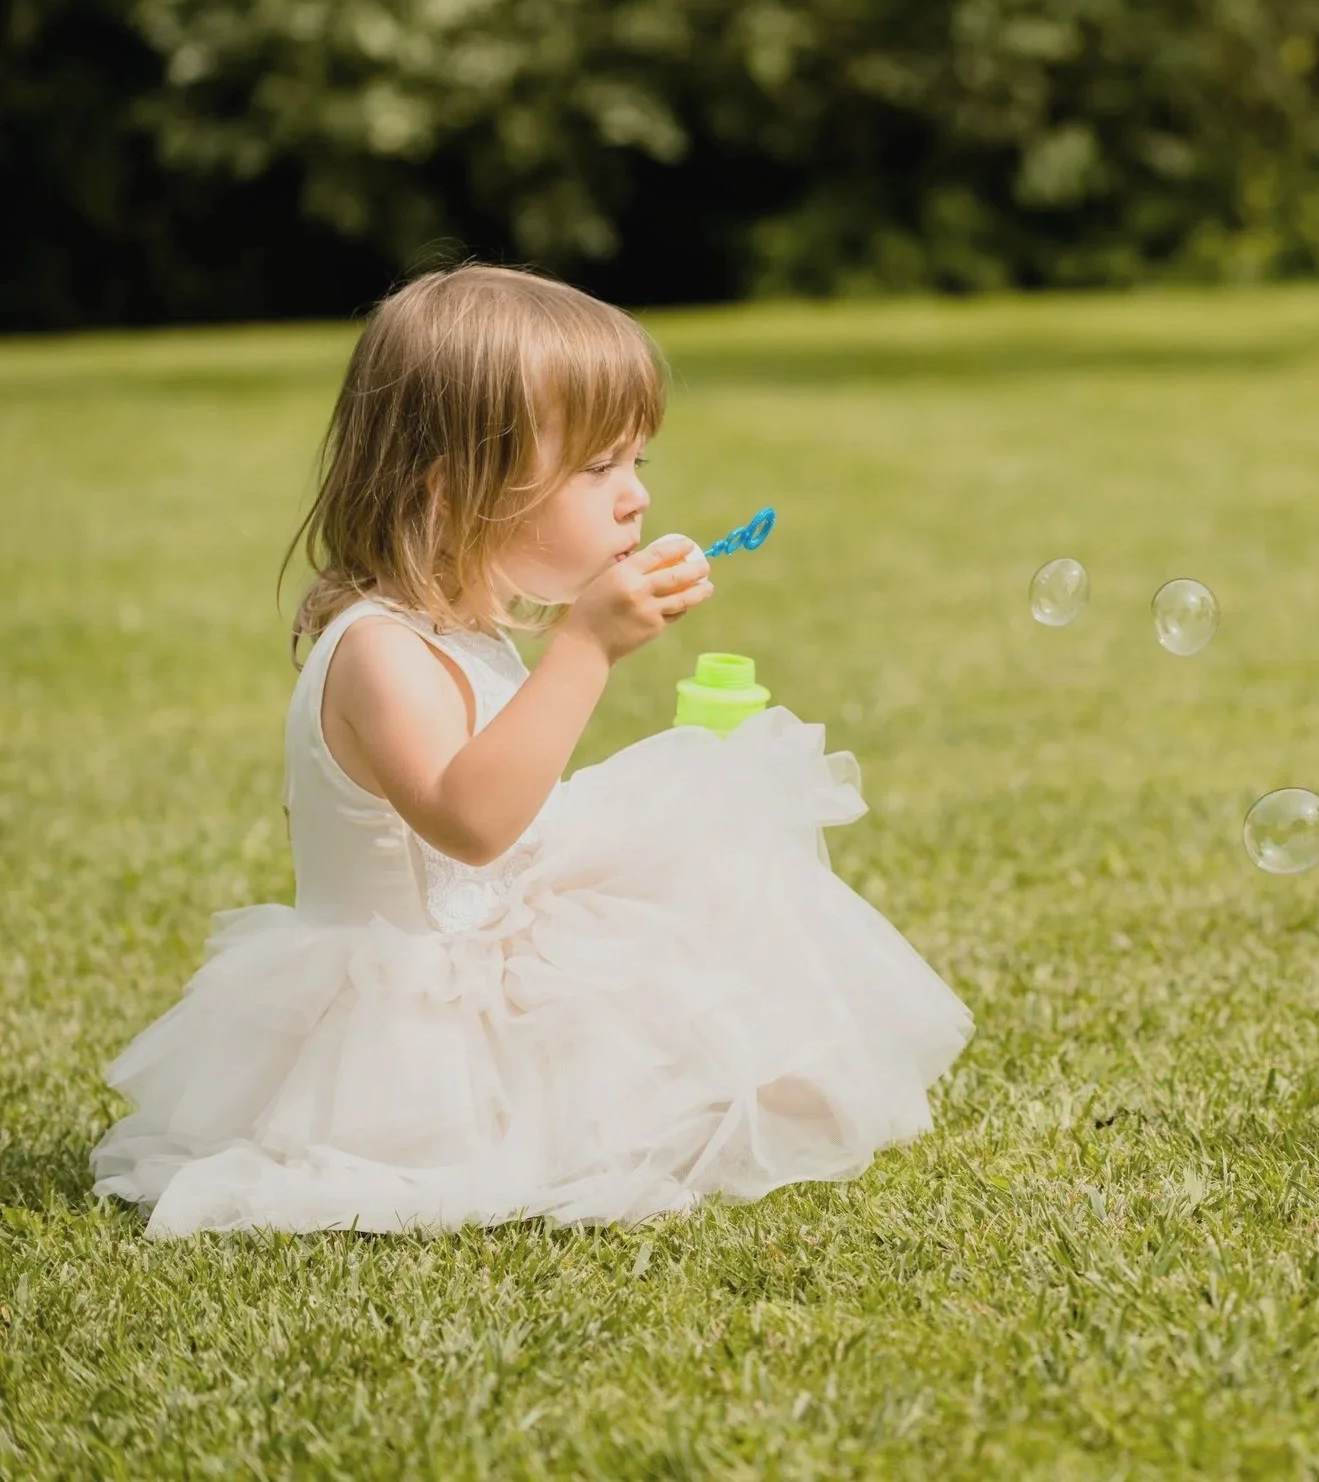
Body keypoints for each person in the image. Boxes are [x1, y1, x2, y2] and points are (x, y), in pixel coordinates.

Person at [92, 264, 972, 1236]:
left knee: (710, 862)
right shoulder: (380, 652)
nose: (635, 498)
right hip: (409, 1029)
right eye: (598, 470)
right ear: (453, 489)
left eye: (637, 463)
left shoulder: (467, 625)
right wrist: (586, 647)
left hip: (493, 947)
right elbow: (471, 822)